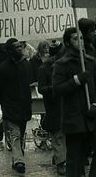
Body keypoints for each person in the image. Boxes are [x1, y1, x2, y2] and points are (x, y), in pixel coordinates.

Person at [53, 27, 96, 177]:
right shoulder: (61, 64)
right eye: (75, 39)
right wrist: (76, 80)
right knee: (75, 157)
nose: (80, 41)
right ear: (67, 42)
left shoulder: (91, 61)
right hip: (74, 117)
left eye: (81, 38)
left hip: (94, 115)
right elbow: (57, 89)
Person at [0, 38, 32, 174]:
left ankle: (16, 159)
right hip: (10, 105)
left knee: (21, 134)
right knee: (15, 134)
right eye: (16, 47)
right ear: (10, 51)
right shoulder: (2, 68)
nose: (19, 49)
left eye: (20, 46)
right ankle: (19, 161)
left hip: (24, 105)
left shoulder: (26, 65)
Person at [38, 39, 66, 176]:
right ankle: (61, 162)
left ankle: (59, 157)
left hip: (66, 104)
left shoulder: (66, 67)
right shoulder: (44, 69)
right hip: (53, 106)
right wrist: (54, 88)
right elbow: (41, 88)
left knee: (64, 134)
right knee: (58, 134)